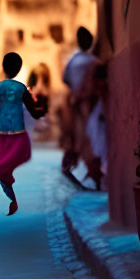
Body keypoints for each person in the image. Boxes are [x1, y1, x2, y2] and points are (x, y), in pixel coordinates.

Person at [0, 52, 48, 215]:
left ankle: (12, 197)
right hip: (18, 134)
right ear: (19, 69)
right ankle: (15, 198)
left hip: (3, 135)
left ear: (3, 68)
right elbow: (34, 111)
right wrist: (44, 111)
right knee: (8, 166)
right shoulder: (21, 89)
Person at [61, 27, 97, 175]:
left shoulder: (72, 60)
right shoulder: (93, 61)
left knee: (74, 133)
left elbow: (65, 79)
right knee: (89, 135)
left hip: (73, 101)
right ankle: (90, 169)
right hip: (89, 103)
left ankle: (74, 165)